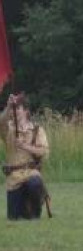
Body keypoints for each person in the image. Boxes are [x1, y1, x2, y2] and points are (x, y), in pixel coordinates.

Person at [1, 92, 50, 220]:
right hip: (14, 178)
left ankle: (35, 213)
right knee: (13, 218)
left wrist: (24, 146)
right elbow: (1, 123)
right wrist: (7, 106)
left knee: (35, 183)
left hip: (31, 173)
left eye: (18, 108)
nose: (14, 111)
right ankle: (25, 210)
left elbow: (43, 151)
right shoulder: (8, 130)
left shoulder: (37, 130)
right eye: (13, 109)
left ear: (26, 111)